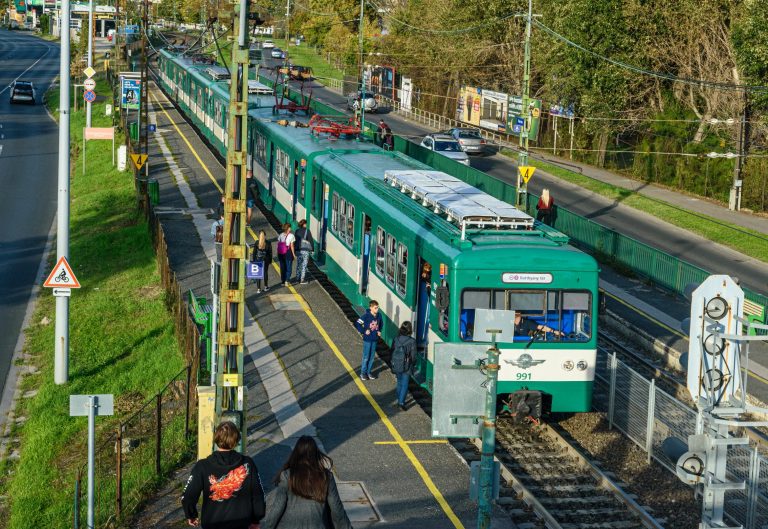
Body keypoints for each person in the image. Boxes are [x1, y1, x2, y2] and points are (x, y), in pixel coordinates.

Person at [181, 421, 265, 529]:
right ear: (236, 441)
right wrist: (256, 519)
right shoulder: (247, 464)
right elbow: (258, 494)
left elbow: (188, 496)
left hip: (212, 523)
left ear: (216, 439)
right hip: (241, 524)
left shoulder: (203, 466)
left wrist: (191, 514)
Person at [260, 436, 351, 529]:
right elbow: (336, 509)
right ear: (316, 454)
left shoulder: (287, 476)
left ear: (296, 454)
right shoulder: (326, 477)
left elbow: (277, 507)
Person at [390, 321, 415, 411]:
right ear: (410, 330)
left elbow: (392, 351)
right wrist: (412, 364)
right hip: (407, 367)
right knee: (405, 385)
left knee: (399, 383)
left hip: (397, 364)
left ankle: (399, 400)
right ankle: (401, 403)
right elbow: (413, 356)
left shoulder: (396, 339)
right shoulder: (412, 341)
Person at [355, 300, 382, 380]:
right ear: (371, 308)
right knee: (366, 357)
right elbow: (358, 323)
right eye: (375, 308)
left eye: (378, 308)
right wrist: (363, 331)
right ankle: (363, 373)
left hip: (374, 339)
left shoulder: (379, 316)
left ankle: (368, 372)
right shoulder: (366, 316)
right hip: (367, 340)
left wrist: (379, 331)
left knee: (372, 357)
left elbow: (381, 324)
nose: (377, 309)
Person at [293, 219, 314, 284]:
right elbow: (311, 241)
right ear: (304, 224)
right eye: (306, 223)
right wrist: (312, 250)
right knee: (304, 265)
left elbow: (295, 241)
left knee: (299, 265)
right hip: (306, 250)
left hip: (299, 250)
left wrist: (295, 249)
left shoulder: (297, 231)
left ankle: (297, 279)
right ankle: (302, 280)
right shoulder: (307, 231)